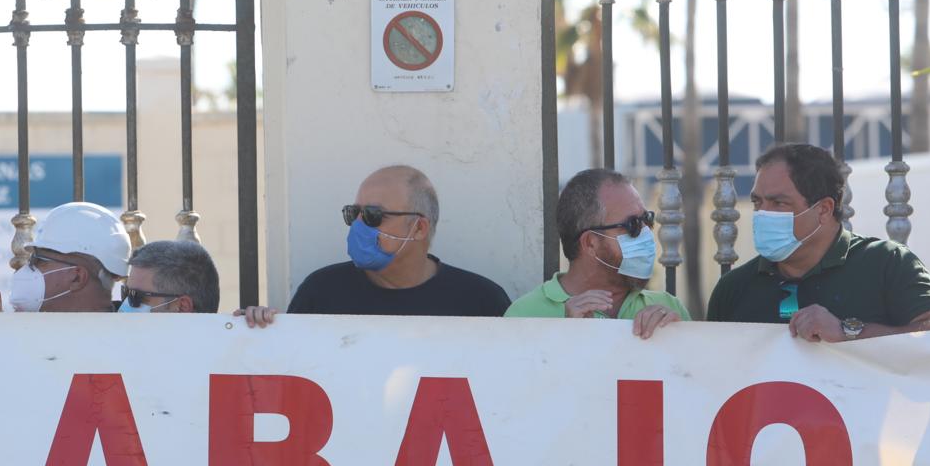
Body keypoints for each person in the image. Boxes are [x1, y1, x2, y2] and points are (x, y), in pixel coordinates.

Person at [707, 143, 930, 341]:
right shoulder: (733, 288)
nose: (763, 214)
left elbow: (927, 336)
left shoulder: (888, 263)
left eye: (779, 203)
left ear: (824, 209)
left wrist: (847, 333)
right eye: (758, 202)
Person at [285, 164, 510, 316]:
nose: (358, 226)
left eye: (374, 215)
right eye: (353, 213)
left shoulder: (480, 301)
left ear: (419, 228)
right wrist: (259, 326)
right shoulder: (321, 292)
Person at [505, 168, 687, 338]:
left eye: (646, 219)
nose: (646, 233)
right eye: (632, 225)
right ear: (590, 243)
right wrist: (563, 336)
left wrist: (677, 338)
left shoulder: (669, 307)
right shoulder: (524, 314)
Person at [0, 201, 131, 313]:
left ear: (77, 278)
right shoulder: (30, 333)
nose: (25, 270)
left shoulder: (130, 340)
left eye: (38, 261)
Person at [119, 239, 220, 314]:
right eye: (125, 293)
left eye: (136, 296)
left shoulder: (230, 342)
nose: (125, 304)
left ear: (182, 307)